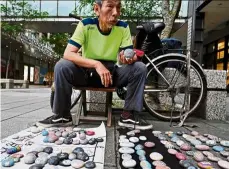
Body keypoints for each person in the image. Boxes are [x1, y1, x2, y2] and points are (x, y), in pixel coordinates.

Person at [36, 0, 152, 130]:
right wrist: (97, 64)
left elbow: (127, 54)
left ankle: (128, 115)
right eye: (110, 7)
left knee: (139, 67)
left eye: (118, 8)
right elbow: (68, 53)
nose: (115, 13)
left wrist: (127, 59)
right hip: (85, 74)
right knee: (62, 66)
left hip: (111, 75)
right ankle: (62, 116)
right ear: (97, 9)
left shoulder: (123, 27)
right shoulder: (85, 25)